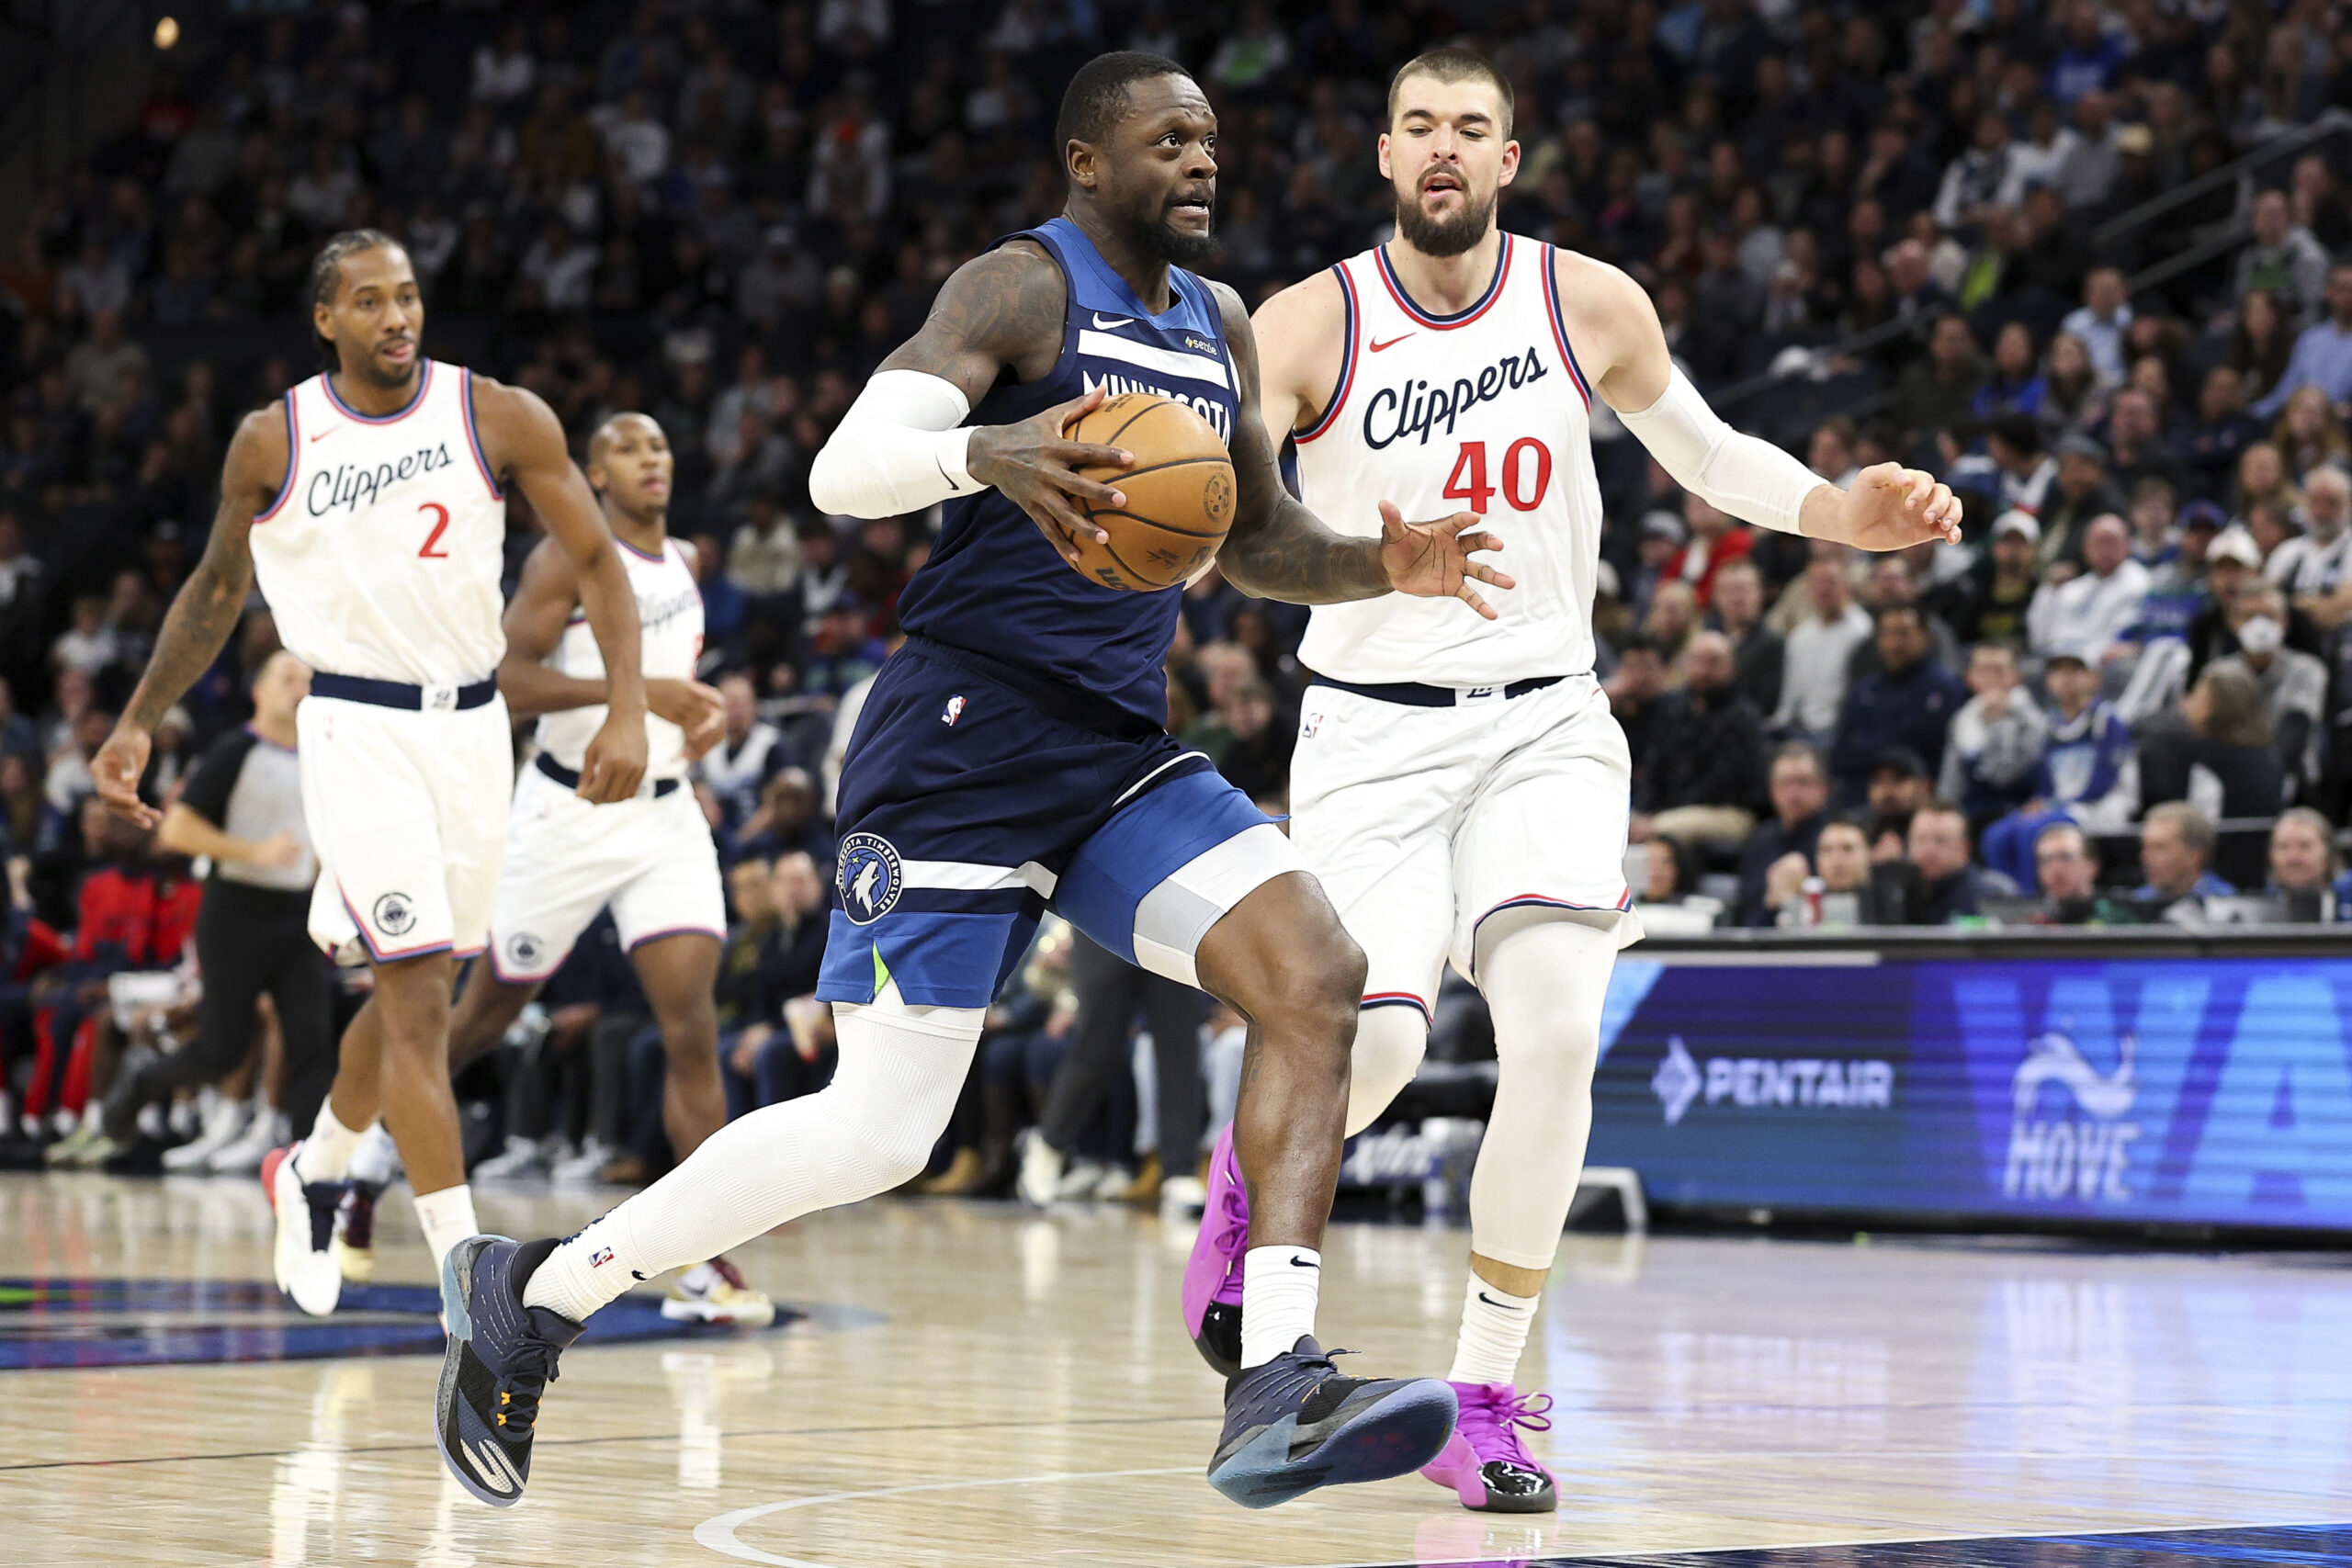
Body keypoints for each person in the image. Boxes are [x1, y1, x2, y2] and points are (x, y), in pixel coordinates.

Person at [435, 52, 1511, 1515]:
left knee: (1318, 970)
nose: (1203, 162)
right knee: (882, 1130)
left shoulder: (1221, 323)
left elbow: (1252, 540)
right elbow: (842, 467)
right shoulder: (1021, 288)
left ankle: (1277, 1374)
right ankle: (537, 1290)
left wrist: (1382, 563)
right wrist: (981, 450)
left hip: (1117, 746)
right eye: (1170, 141)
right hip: (959, 738)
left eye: (1212, 142)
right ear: (1086, 161)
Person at [1214, 46, 1957, 1516]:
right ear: (1382, 155)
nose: (1444, 148)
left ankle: (1485, 1390)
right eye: (1417, 125)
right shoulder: (1306, 326)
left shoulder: (1588, 300)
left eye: (1470, 129)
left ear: (1508, 158)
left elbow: (1703, 448)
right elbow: (1245, 525)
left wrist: (1831, 510)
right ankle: (1244, 1208)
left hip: (1546, 720)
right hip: (1367, 730)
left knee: (1556, 1029)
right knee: (1371, 1053)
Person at [92, 231, 649, 1319]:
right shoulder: (273, 439)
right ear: (326, 320)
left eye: (407, 296)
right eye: (369, 301)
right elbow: (213, 591)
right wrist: (136, 722)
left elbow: (594, 562)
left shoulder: (499, 413)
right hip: (353, 727)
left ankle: (314, 1166)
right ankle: (466, 1278)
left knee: (425, 990)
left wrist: (625, 706)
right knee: (410, 995)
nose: (397, 316)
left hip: (474, 729)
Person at [419, 411, 771, 1330]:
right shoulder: (562, 560)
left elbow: (677, 691)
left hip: (663, 816)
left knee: (690, 1028)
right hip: (565, 810)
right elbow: (507, 682)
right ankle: (376, 1151)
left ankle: (704, 1262)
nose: (651, 458)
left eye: (660, 444)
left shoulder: (688, 560)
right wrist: (630, 694)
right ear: (595, 475)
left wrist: (694, 720)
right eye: (627, 448)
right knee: (484, 1014)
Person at [88, 651, 333, 1167]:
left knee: (312, 1042)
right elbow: (177, 829)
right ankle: (141, 1077)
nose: (299, 687)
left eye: (307, 680)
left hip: (299, 913)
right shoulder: (235, 750)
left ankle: (313, 1168)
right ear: (259, 692)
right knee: (222, 1049)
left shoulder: (325, 757)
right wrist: (256, 853)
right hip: (235, 911)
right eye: (287, 677)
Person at [1829, 605, 1967, 800]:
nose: (1894, 643)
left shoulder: (1945, 688)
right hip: (1860, 793)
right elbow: (1839, 757)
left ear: (1925, 637)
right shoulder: (1864, 689)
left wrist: (1866, 746)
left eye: (1903, 633)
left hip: (1922, 797)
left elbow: (1928, 750)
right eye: (1887, 634)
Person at [2026, 513, 2150, 667]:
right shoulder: (2071, 589)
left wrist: (2087, 657)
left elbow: (2123, 637)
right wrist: (2047, 590)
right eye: (2099, 542)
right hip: (2062, 664)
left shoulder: (2140, 584)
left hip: (2104, 666)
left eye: (2111, 542)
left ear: (2128, 545)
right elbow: (2039, 638)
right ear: (2086, 548)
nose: (2105, 549)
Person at [1736, 741, 1831, 925]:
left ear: (1823, 788)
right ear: (1772, 790)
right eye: (1785, 783)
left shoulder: (1836, 840)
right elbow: (1743, 920)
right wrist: (1772, 901)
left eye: (1803, 782)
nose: (1793, 793)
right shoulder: (1758, 844)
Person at [2028, 819, 2143, 925]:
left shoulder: (2119, 915)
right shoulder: (2032, 920)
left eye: (2065, 857)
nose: (2056, 868)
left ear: (2091, 865)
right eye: (2046, 860)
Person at [2136, 799, 2234, 908]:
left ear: (2195, 855)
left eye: (2160, 848)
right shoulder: (2136, 903)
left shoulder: (2228, 904)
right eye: (2145, 847)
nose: (2145, 857)